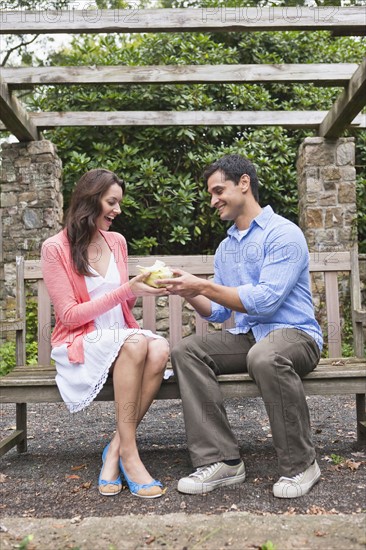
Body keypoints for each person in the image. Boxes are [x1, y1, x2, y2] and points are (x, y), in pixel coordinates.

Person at [160, 154, 323, 499]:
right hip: (251, 338)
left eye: (218, 190)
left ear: (244, 183)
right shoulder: (226, 247)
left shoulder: (284, 234)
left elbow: (266, 301)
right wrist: (189, 291)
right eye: (210, 194)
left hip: (296, 336)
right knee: (186, 351)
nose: (213, 200)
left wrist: (203, 285)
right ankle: (222, 460)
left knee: (265, 357)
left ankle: (301, 464)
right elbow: (219, 313)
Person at [41, 168, 170, 499]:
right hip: (83, 340)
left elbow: (123, 298)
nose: (117, 210)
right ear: (90, 200)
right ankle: (131, 454)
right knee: (138, 341)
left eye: (119, 203)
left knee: (159, 349)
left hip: (123, 337)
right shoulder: (55, 248)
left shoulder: (117, 242)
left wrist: (145, 289)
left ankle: (115, 449)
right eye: (111, 202)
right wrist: (126, 288)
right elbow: (69, 316)